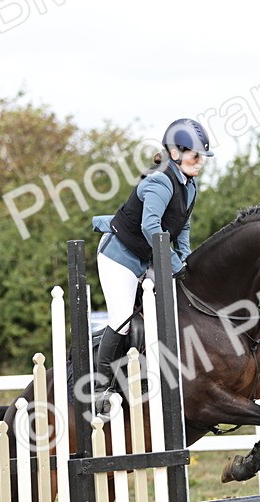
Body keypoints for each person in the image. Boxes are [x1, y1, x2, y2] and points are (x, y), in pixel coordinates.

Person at [90, 118, 214, 413]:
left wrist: (186, 259)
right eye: (195, 156)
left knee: (170, 307)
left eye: (202, 157)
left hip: (147, 256)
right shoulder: (159, 181)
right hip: (119, 256)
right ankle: (99, 388)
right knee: (121, 318)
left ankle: (149, 371)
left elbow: (181, 226)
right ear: (175, 154)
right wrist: (172, 264)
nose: (200, 162)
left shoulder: (189, 185)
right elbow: (151, 227)